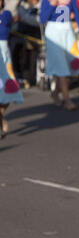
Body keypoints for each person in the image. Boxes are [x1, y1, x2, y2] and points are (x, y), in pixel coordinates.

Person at [40, 0, 79, 111]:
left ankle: (55, 93)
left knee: (71, 64)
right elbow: (42, 19)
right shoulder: (46, 1)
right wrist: (52, 5)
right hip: (53, 34)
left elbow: (77, 15)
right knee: (62, 68)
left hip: (68, 33)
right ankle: (67, 100)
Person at [0, 0, 24, 138]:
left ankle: (1, 115)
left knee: (11, 86)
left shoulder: (7, 14)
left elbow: (7, 29)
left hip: (3, 54)